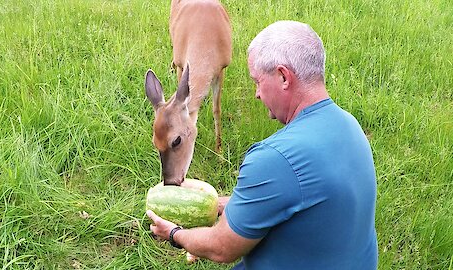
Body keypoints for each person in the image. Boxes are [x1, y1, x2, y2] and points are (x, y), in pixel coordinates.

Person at [147, 20, 378, 269]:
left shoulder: (274, 158)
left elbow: (221, 248)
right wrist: (218, 205)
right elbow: (290, 197)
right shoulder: (349, 125)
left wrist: (173, 233)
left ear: (283, 77)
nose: (256, 94)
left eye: (257, 81)